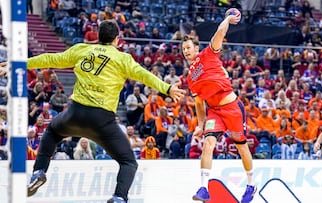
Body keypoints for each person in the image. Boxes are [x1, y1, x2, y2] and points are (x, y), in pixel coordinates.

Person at [26, 20, 185, 203]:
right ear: (117, 39)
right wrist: (167, 88)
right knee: (128, 162)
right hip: (102, 121)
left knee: (52, 132)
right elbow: (145, 75)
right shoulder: (123, 59)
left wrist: (21, 64)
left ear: (98, 37)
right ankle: (119, 197)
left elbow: (50, 59)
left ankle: (39, 172)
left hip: (75, 114)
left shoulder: (81, 49)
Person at [182, 9, 256, 202]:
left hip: (232, 108)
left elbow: (219, 34)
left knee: (241, 147)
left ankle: (250, 184)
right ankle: (203, 188)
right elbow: (199, 102)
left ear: (196, 48)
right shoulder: (190, 78)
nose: (186, 51)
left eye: (188, 47)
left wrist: (227, 20)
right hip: (214, 112)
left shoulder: (208, 54)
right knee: (207, 144)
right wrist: (200, 124)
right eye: (183, 49)